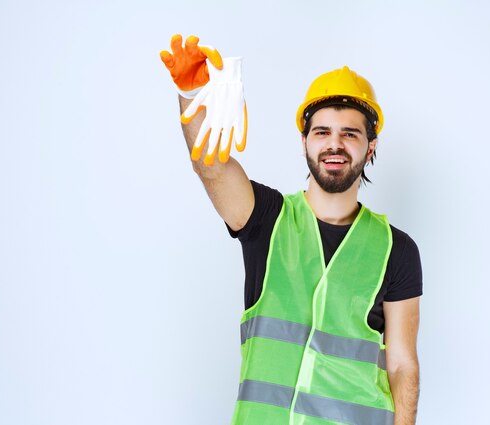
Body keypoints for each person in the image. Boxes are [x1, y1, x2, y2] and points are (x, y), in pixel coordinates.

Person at [160, 34, 422, 425]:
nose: (335, 144)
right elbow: (211, 166)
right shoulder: (267, 218)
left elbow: (403, 367)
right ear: (304, 143)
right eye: (322, 132)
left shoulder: (395, 249)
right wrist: (190, 92)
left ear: (370, 147)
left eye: (350, 134)